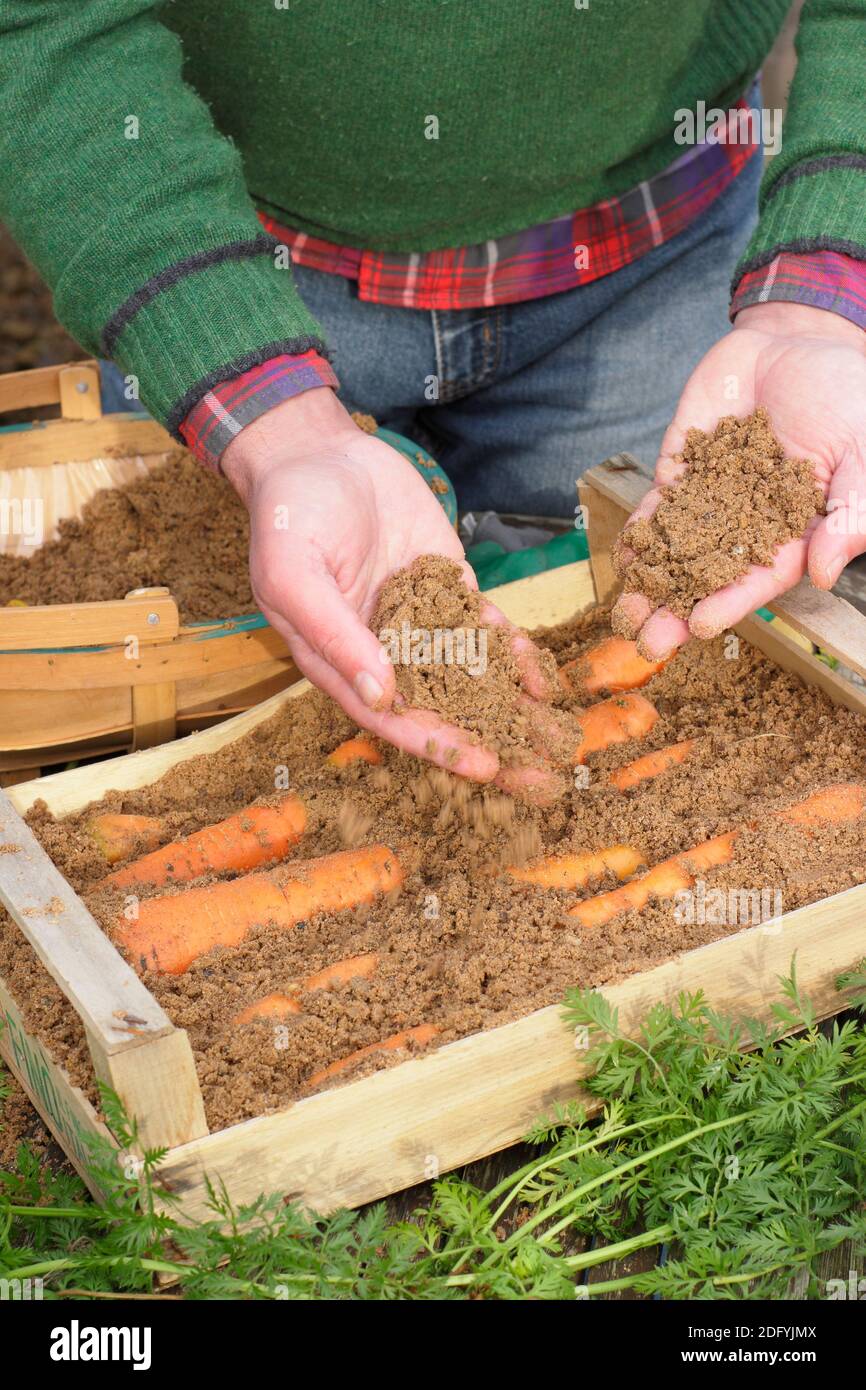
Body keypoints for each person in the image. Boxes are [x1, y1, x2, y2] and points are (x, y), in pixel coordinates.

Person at [1, 2, 863, 787]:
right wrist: (274, 423)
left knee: (653, 615)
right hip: (241, 263)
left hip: (655, 256)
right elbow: (41, 26)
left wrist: (828, 294)